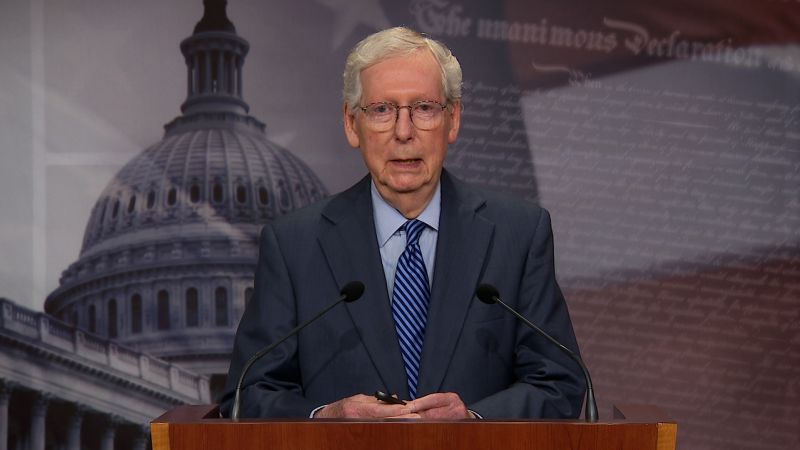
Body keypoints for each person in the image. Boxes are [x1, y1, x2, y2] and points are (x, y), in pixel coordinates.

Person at [220, 26, 585, 419]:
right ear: (351, 124)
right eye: (381, 110)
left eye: (424, 108)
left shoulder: (519, 234)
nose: (403, 132)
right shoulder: (294, 245)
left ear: (453, 120)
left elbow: (558, 382)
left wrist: (474, 422)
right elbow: (248, 395)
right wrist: (328, 418)